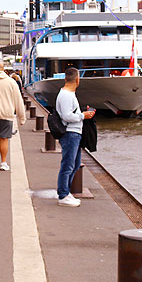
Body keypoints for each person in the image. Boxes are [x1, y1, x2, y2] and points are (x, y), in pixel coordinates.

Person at [55, 68, 95, 207]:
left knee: (75, 164)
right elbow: (67, 116)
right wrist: (83, 115)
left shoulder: (68, 94)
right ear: (77, 80)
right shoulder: (67, 95)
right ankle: (63, 195)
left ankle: (66, 192)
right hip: (70, 133)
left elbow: (68, 113)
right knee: (68, 165)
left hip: (74, 133)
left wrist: (82, 113)